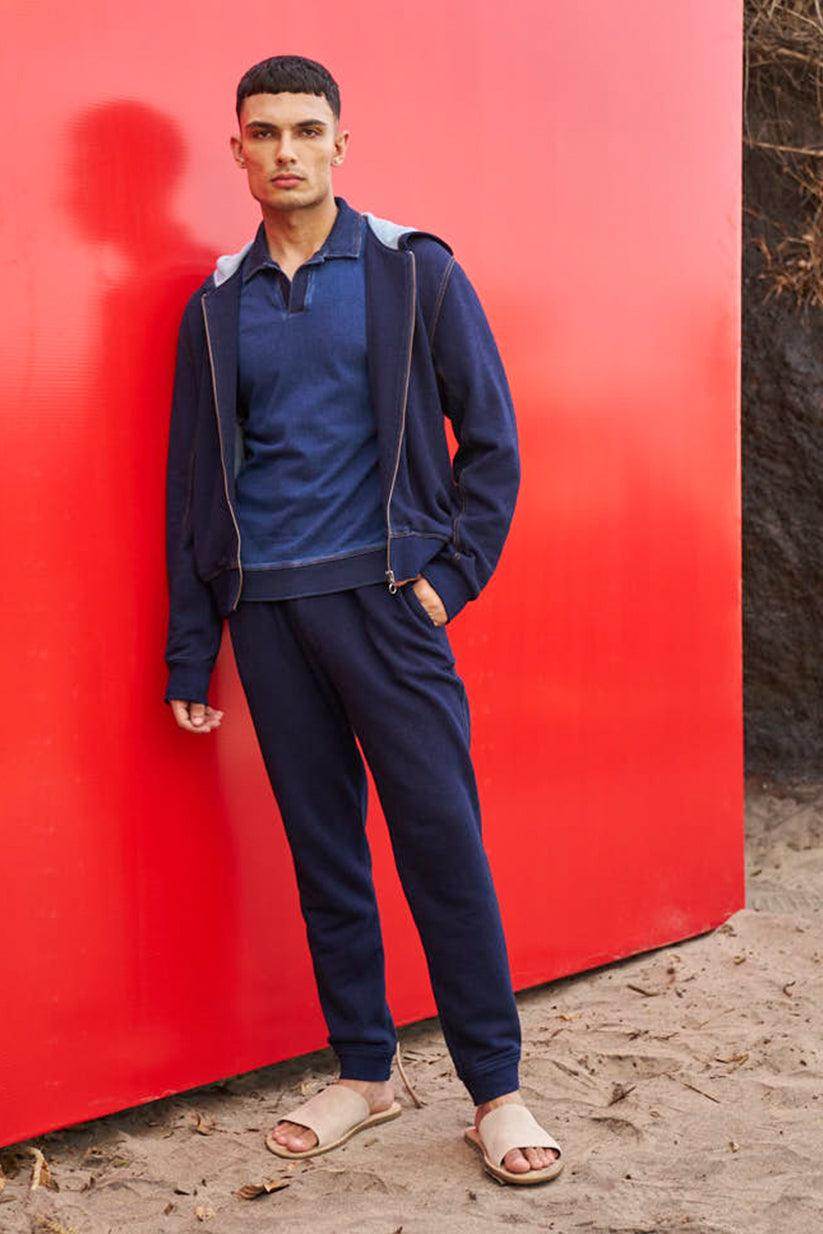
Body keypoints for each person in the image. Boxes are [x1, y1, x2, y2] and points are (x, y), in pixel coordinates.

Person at [163, 53, 563, 1187]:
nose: (285, 150)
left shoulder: (410, 269)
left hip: (387, 605)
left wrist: (451, 578)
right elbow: (194, 484)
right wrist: (193, 645)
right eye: (264, 133)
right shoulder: (217, 302)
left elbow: (492, 439)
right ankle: (365, 1072)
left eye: (305, 129)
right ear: (237, 151)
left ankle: (496, 1091)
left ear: (341, 143)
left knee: (440, 841)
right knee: (323, 849)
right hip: (266, 611)